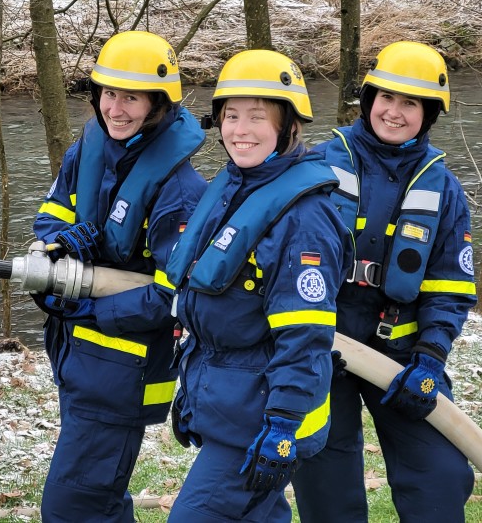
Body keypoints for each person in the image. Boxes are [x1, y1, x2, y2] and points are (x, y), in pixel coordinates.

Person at [291, 41, 477, 521]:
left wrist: (431, 358)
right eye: (386, 98)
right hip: (320, 347)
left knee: (442, 474)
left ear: (430, 113)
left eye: (410, 103)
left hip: (403, 359)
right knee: (326, 489)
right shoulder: (316, 166)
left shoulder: (444, 189)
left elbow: (449, 287)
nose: (394, 112)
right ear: (368, 99)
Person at [166, 49, 350, 522]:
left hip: (263, 418)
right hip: (232, 406)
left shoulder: (305, 218)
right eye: (230, 116)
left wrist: (282, 428)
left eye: (256, 117)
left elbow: (304, 336)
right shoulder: (232, 187)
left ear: (288, 125)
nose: (239, 130)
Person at [31, 30, 208, 522]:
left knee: (73, 507)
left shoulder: (181, 191)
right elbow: (49, 214)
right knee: (100, 503)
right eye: (109, 93)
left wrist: (85, 302)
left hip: (123, 370)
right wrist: (61, 245)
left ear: (158, 104)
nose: (116, 108)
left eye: (131, 97)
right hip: (77, 357)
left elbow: (176, 296)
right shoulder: (86, 151)